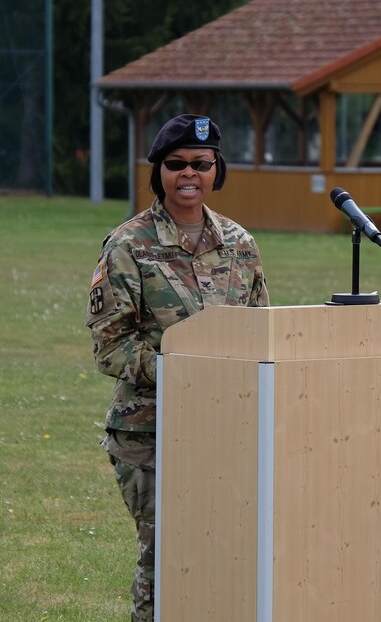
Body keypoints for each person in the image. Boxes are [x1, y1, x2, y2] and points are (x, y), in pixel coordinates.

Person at [85, 114, 269, 621]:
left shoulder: (240, 244)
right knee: (164, 553)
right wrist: (184, 368)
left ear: (217, 170)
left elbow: (260, 331)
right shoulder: (128, 244)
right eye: (176, 165)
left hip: (225, 426)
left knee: (225, 551)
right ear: (159, 171)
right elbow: (110, 346)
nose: (189, 175)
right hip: (150, 433)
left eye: (201, 165)